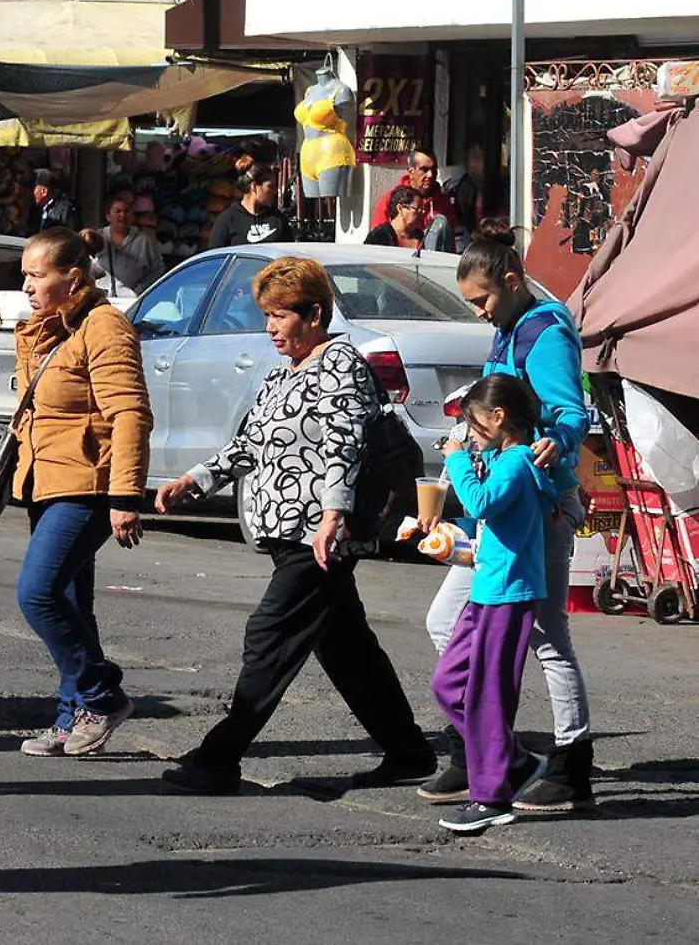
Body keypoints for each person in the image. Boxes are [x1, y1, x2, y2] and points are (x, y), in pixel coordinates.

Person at [154, 257, 435, 795]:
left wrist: (332, 516)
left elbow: (344, 446)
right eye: (267, 316)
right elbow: (252, 442)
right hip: (291, 531)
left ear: (315, 314)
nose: (270, 328)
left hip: (321, 535)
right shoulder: (284, 371)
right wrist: (195, 479)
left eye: (280, 316)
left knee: (271, 634)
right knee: (346, 648)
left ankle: (218, 757)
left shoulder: (341, 365)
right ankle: (409, 751)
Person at [420, 222, 595, 812]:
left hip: (537, 503)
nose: (477, 312)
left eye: (482, 300)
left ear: (513, 281)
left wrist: (558, 440)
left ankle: (571, 766)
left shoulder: (543, 333)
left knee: (548, 637)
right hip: (502, 499)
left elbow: (571, 409)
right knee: (447, 621)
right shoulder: (509, 327)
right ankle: (490, 752)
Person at [11, 227, 152, 757]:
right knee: (71, 603)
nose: (25, 285)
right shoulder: (50, 328)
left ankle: (102, 696)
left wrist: (124, 497)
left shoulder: (105, 326)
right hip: (46, 482)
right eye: (24, 273)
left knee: (37, 593)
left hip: (88, 485)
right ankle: (72, 718)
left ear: (72, 278)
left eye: (36, 274)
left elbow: (130, 415)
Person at [428, 374, 553, 834]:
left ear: (500, 418)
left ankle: (491, 796)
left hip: (508, 594)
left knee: (487, 696)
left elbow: (481, 504)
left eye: (475, 426)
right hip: (486, 590)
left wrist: (457, 460)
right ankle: (511, 759)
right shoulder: (505, 457)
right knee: (448, 684)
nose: (470, 436)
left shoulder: (517, 462)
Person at [368, 148, 458, 238]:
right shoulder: (391, 200)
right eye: (424, 169)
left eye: (433, 169)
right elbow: (378, 240)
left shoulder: (443, 202)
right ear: (411, 172)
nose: (430, 175)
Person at [207, 163, 291, 250]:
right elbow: (215, 255)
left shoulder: (278, 219)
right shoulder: (228, 219)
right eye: (270, 186)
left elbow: (290, 254)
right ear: (254, 186)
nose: (274, 192)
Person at [95, 197, 164, 297]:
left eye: (126, 211)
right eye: (118, 211)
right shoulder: (97, 238)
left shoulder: (143, 241)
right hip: (101, 298)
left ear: (131, 216)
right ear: (108, 216)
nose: (122, 215)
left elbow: (157, 270)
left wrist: (139, 290)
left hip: (131, 300)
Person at [28, 168, 74, 233]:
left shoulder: (64, 210)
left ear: (44, 191)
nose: (30, 194)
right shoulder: (37, 210)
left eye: (32, 189)